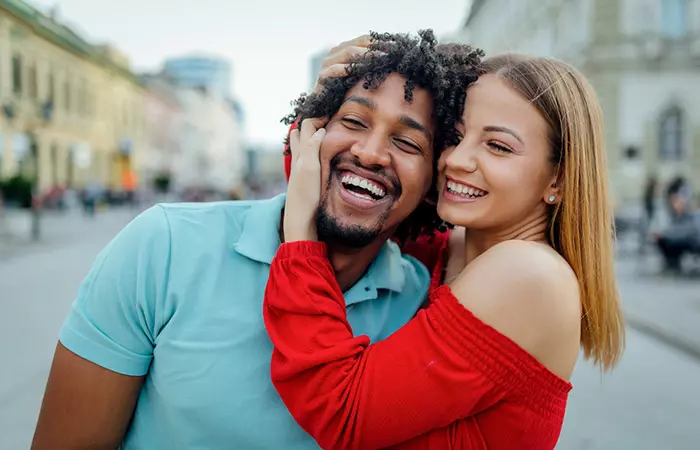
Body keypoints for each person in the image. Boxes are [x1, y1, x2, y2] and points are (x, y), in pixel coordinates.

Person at [30, 31, 482, 450]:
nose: (370, 152)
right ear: (307, 132)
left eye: (407, 143)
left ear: (432, 183)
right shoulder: (162, 246)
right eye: (353, 121)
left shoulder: (423, 302)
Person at [263, 53, 627, 449]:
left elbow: (342, 412)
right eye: (454, 136)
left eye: (498, 146)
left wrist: (299, 236)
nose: (456, 160)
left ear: (557, 177)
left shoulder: (527, 273)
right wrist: (335, 99)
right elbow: (354, 202)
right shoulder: (455, 249)